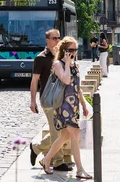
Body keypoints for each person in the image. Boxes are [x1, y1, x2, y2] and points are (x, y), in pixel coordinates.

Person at [39, 37, 92, 179]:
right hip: (63, 106)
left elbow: (76, 86)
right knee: (75, 134)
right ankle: (80, 169)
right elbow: (66, 80)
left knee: (65, 136)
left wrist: (83, 103)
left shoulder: (75, 65)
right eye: (71, 50)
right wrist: (67, 64)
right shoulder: (58, 64)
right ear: (64, 50)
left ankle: (47, 159)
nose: (74, 53)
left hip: (73, 105)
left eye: (75, 49)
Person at [28, 29, 71, 172]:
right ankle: (58, 161)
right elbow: (34, 81)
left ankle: (37, 147)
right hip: (48, 99)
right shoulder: (40, 58)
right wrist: (32, 101)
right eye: (54, 38)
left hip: (62, 98)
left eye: (59, 38)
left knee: (64, 132)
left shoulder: (62, 56)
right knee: (56, 131)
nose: (57, 41)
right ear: (47, 40)